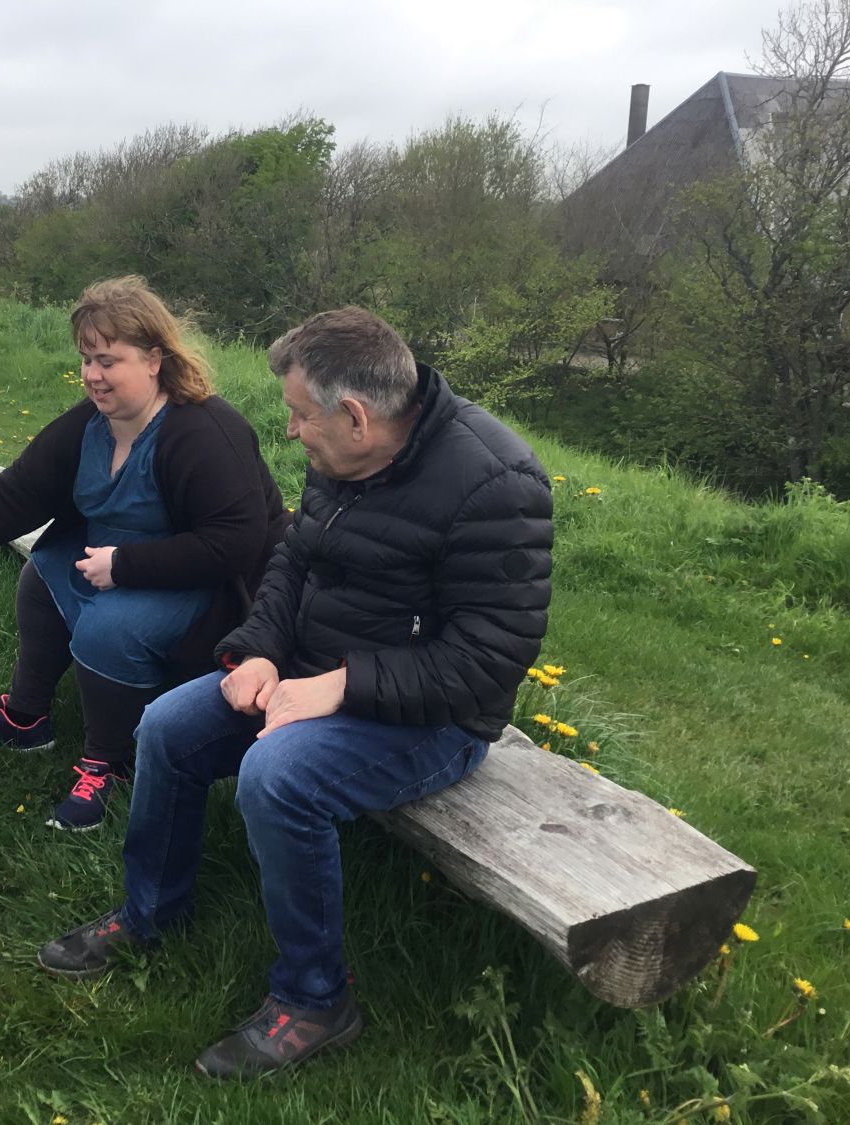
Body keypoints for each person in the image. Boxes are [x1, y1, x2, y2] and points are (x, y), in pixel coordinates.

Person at [36, 307, 553, 1078]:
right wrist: (257, 650)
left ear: (354, 415)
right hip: (307, 675)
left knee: (278, 775)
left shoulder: (497, 484)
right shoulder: (343, 453)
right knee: (167, 726)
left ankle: (316, 998)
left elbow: (491, 660)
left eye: (298, 414)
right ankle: (150, 913)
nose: (290, 431)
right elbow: (292, 561)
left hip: (435, 718)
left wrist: (340, 687)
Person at [0, 277, 288, 831]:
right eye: (87, 359)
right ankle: (27, 716)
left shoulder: (204, 431)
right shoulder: (89, 426)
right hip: (117, 564)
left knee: (107, 629)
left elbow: (235, 542)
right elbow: (11, 497)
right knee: (43, 574)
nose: (92, 375)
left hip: (213, 588)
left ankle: (112, 763)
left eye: (109, 360)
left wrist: (127, 566)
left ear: (155, 358)